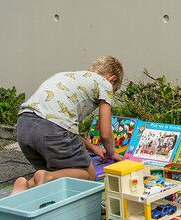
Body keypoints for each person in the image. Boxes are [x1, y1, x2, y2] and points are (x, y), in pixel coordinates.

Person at [11, 55, 125, 194]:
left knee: (61, 172)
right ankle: (48, 177)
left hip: (24, 126)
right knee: (87, 173)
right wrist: (112, 152)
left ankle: (25, 186)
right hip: (52, 130)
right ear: (112, 79)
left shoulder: (70, 77)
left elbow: (65, 127)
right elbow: (105, 132)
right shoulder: (105, 84)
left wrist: (92, 147)